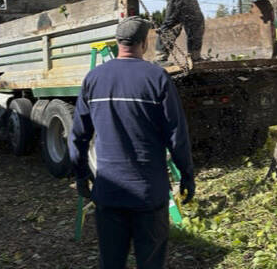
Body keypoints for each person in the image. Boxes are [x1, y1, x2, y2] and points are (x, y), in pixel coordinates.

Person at [68, 16, 195, 269]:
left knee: (111, 262)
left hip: (109, 193)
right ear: (143, 43)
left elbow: (78, 136)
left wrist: (81, 176)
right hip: (149, 194)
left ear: (117, 42)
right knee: (150, 262)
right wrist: (187, 176)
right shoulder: (157, 78)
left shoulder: (93, 79)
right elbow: (176, 135)